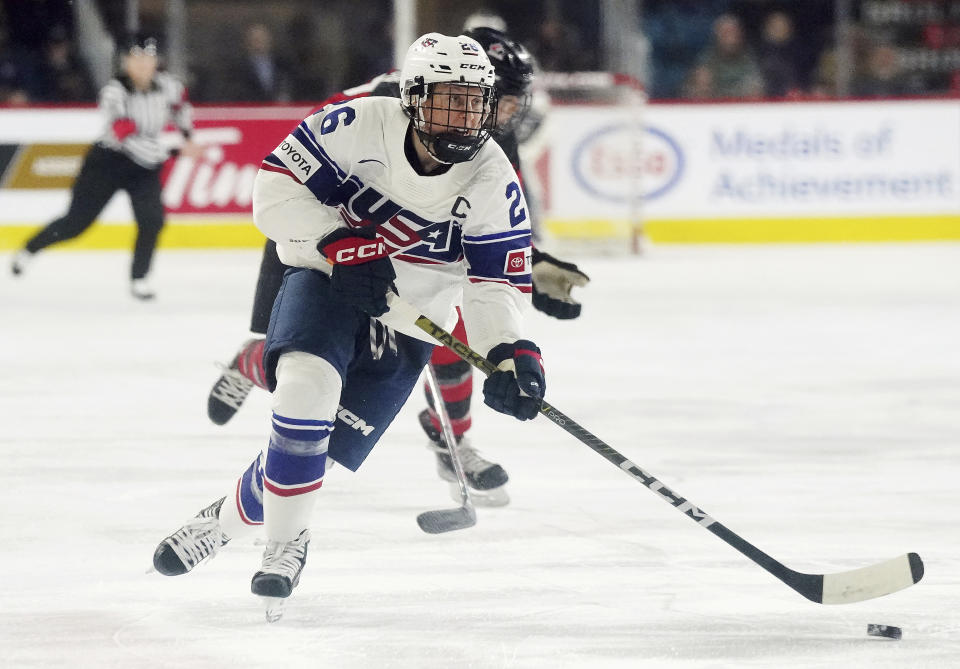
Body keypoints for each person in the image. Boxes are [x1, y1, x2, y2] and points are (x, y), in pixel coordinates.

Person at [153, 33, 548, 619]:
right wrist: (342, 246)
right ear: (413, 96)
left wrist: (512, 353)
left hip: (413, 321)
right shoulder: (359, 124)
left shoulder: (492, 176)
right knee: (306, 387)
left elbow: (493, 284)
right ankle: (287, 545)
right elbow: (273, 192)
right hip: (328, 280)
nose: (462, 118)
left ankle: (226, 519)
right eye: (447, 101)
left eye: (474, 102)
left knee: (316, 457)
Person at [205, 28, 589, 506]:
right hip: (324, 230)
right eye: (500, 101)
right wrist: (334, 241)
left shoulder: (474, 127)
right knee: (299, 366)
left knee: (448, 330)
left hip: (401, 249)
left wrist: (530, 264)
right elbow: (293, 178)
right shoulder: (392, 105)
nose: (497, 115)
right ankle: (251, 361)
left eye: (499, 103)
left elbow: (475, 223)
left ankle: (453, 445)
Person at [10, 34, 199, 299]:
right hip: (108, 163)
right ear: (125, 62)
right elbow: (126, 135)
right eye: (137, 58)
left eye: (149, 58)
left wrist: (188, 135)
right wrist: (175, 149)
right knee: (76, 223)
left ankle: (139, 277)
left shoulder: (169, 86)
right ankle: (30, 248)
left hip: (144, 170)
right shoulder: (114, 92)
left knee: (152, 220)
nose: (144, 64)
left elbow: (181, 108)